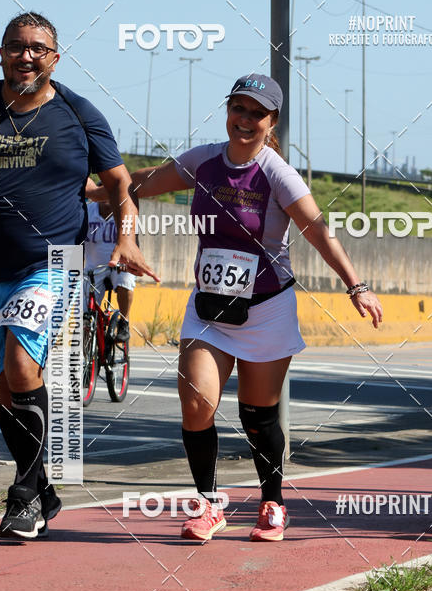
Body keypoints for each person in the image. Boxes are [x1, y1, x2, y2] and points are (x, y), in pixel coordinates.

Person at [92, 72, 383, 542]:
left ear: (272, 123)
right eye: (239, 109)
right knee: (196, 402)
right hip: (209, 308)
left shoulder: (277, 174)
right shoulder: (203, 160)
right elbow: (145, 182)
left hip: (267, 307)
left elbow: (318, 232)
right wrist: (96, 191)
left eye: (257, 114)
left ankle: (273, 501)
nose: (245, 120)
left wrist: (357, 286)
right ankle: (208, 505)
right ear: (228, 111)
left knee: (258, 415)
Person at [0, 11, 157, 541]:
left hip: (52, 263)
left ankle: (24, 498)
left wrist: (125, 239)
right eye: (16, 46)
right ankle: (45, 489)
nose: (25, 55)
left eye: (37, 47)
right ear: (2, 53)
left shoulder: (79, 115)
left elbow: (120, 185)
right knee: (9, 389)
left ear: (54, 57)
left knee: (20, 362)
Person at [83, 199, 136, 342]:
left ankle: (124, 322)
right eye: (102, 192)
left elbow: (134, 242)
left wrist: (128, 262)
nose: (106, 197)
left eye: (109, 193)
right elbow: (77, 241)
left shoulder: (124, 212)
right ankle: (89, 355)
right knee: (84, 315)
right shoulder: (87, 212)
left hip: (119, 266)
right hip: (93, 268)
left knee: (126, 280)